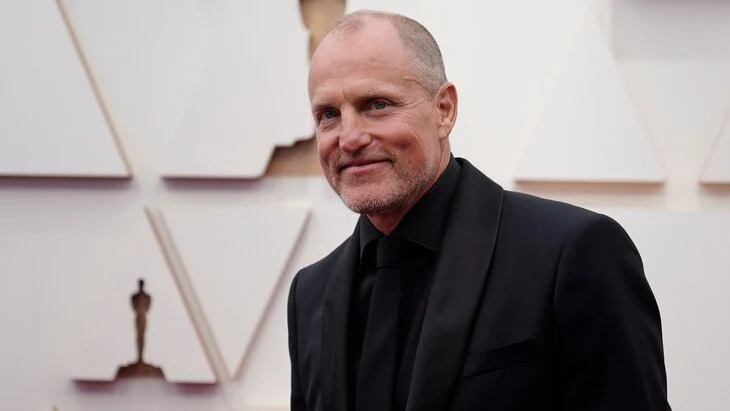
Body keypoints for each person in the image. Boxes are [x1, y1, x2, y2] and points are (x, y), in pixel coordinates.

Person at [287, 9, 671, 411]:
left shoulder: (573, 254)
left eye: (377, 105)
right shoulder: (309, 294)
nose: (349, 138)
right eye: (328, 114)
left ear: (444, 110)